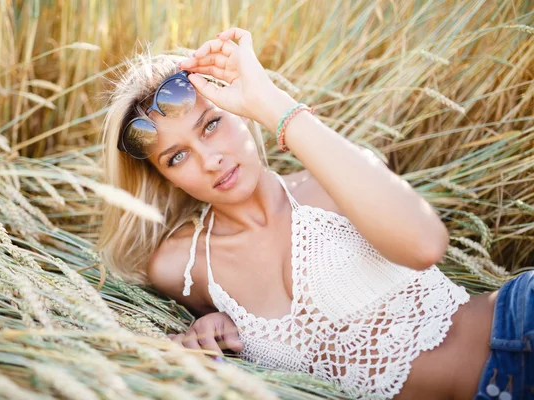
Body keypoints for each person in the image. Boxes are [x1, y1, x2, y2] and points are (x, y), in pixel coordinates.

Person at [97, 27, 533, 400]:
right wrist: (214, 332)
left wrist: (271, 102)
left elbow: (425, 246)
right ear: (163, 178)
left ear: (241, 112)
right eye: (177, 157)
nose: (210, 159)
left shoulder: (330, 180)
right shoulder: (182, 268)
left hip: (518, 331)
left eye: (212, 124)